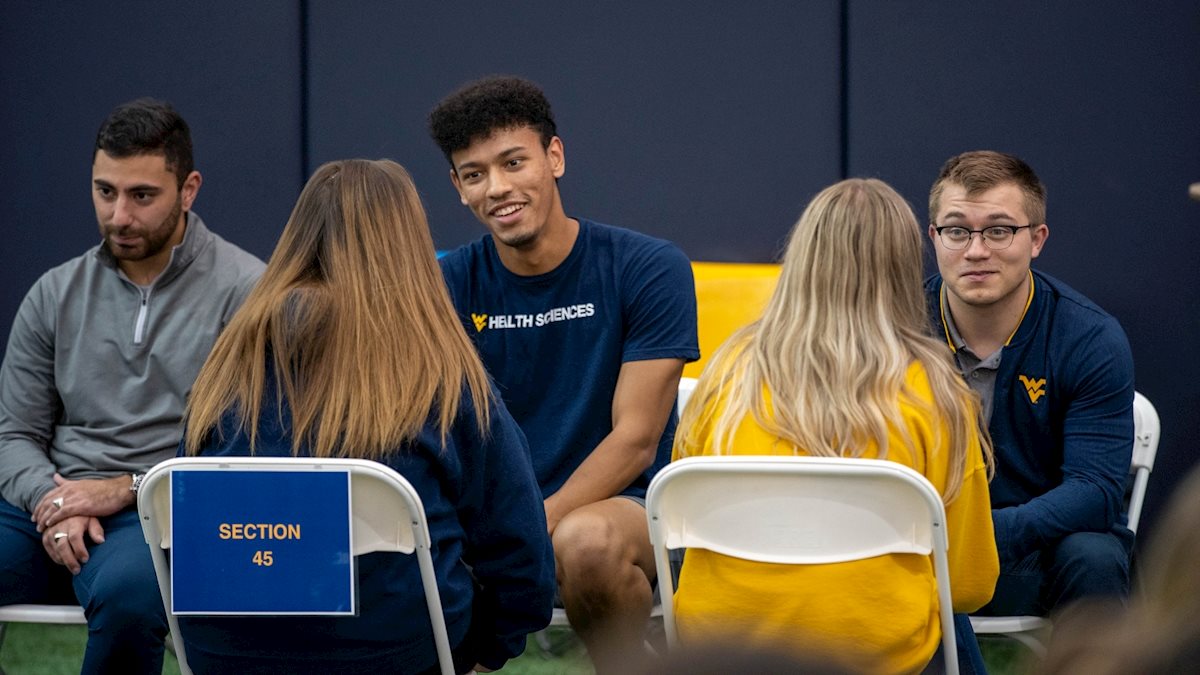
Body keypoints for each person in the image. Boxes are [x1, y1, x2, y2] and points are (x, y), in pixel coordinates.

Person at [177, 159, 555, 674]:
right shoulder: (443, 377)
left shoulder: (223, 368)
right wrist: (481, 653)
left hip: (223, 651)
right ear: (408, 245)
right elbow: (524, 560)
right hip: (395, 653)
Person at [672, 178, 998, 673]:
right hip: (877, 656)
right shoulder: (938, 393)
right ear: (904, 268)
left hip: (720, 649)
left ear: (801, 257)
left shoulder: (726, 375)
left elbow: (683, 526)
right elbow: (969, 584)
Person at [430, 75, 699, 672]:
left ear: (554, 157)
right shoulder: (443, 286)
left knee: (585, 541)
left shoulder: (648, 266)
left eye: (513, 162)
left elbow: (634, 442)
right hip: (494, 521)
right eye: (474, 174)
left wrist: (525, 527)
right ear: (458, 187)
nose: (498, 188)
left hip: (623, 508)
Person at [0, 98, 264, 674]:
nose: (119, 215)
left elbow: (246, 450)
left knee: (130, 597)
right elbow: (14, 431)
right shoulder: (54, 292)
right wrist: (56, 500)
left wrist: (122, 489)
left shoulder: (247, 292)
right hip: (49, 496)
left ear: (188, 189)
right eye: (105, 192)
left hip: (165, 504)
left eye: (142, 196)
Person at [925, 151, 1136, 617]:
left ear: (1037, 239)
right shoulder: (897, 326)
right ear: (934, 237)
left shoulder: (1089, 336)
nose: (976, 251)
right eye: (957, 230)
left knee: (1095, 555)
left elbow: (1094, 490)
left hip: (1031, 557)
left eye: (999, 230)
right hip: (919, 552)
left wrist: (976, 533)